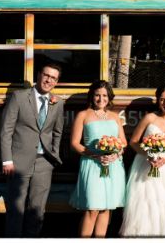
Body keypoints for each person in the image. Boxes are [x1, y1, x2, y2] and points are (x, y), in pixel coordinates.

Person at [0, 64, 65, 237]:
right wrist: (7, 160)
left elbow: (58, 132)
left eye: (53, 78)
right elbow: (6, 130)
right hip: (18, 162)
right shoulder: (19, 97)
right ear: (39, 74)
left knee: (38, 210)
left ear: (57, 82)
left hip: (44, 163)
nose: (48, 80)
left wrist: (54, 155)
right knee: (16, 208)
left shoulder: (58, 103)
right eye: (46, 75)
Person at [120, 85, 165, 237]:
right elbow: (134, 142)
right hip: (143, 168)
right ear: (158, 102)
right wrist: (148, 153)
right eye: (162, 99)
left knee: (164, 210)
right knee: (142, 209)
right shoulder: (150, 118)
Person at [68, 80, 127, 238]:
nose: (101, 99)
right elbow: (74, 143)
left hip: (113, 166)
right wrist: (94, 154)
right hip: (92, 164)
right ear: (91, 96)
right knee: (92, 208)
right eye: (97, 95)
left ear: (109, 97)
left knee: (106, 207)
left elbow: (123, 142)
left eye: (105, 95)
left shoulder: (115, 117)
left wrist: (116, 154)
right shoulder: (83, 115)